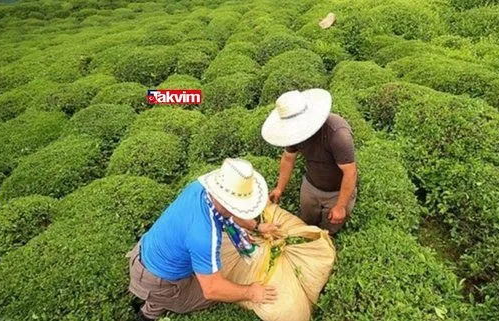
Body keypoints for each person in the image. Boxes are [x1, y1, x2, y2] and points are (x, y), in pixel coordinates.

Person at [127, 158, 279, 321]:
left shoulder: (200, 188)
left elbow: (230, 212)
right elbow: (212, 289)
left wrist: (256, 227)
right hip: (159, 279)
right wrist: (250, 292)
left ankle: (153, 301)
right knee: (216, 295)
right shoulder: (205, 235)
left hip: (148, 251)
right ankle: (151, 309)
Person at [261, 89, 357, 235]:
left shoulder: (337, 134)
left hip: (337, 191)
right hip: (311, 185)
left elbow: (350, 172)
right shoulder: (294, 133)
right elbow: (288, 158)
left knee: (329, 229)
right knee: (305, 221)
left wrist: (340, 206)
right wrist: (279, 188)